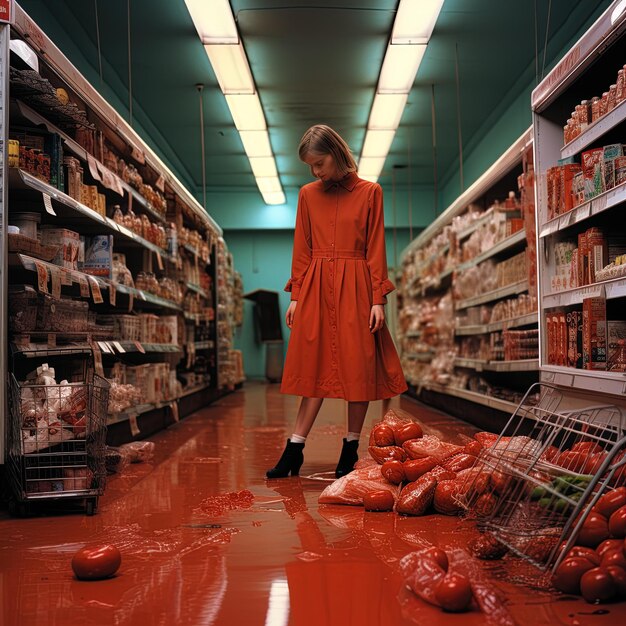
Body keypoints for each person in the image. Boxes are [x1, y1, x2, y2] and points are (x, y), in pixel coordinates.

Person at [266, 125, 407, 480]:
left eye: (320, 162)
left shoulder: (371, 192)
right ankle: (294, 448)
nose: (316, 171)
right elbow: (302, 248)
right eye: (310, 166)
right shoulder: (307, 195)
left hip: (357, 285)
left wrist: (378, 299)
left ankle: (350, 448)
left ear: (337, 152)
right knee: (313, 365)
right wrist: (296, 295)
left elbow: (375, 248)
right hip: (315, 286)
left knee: (357, 364)